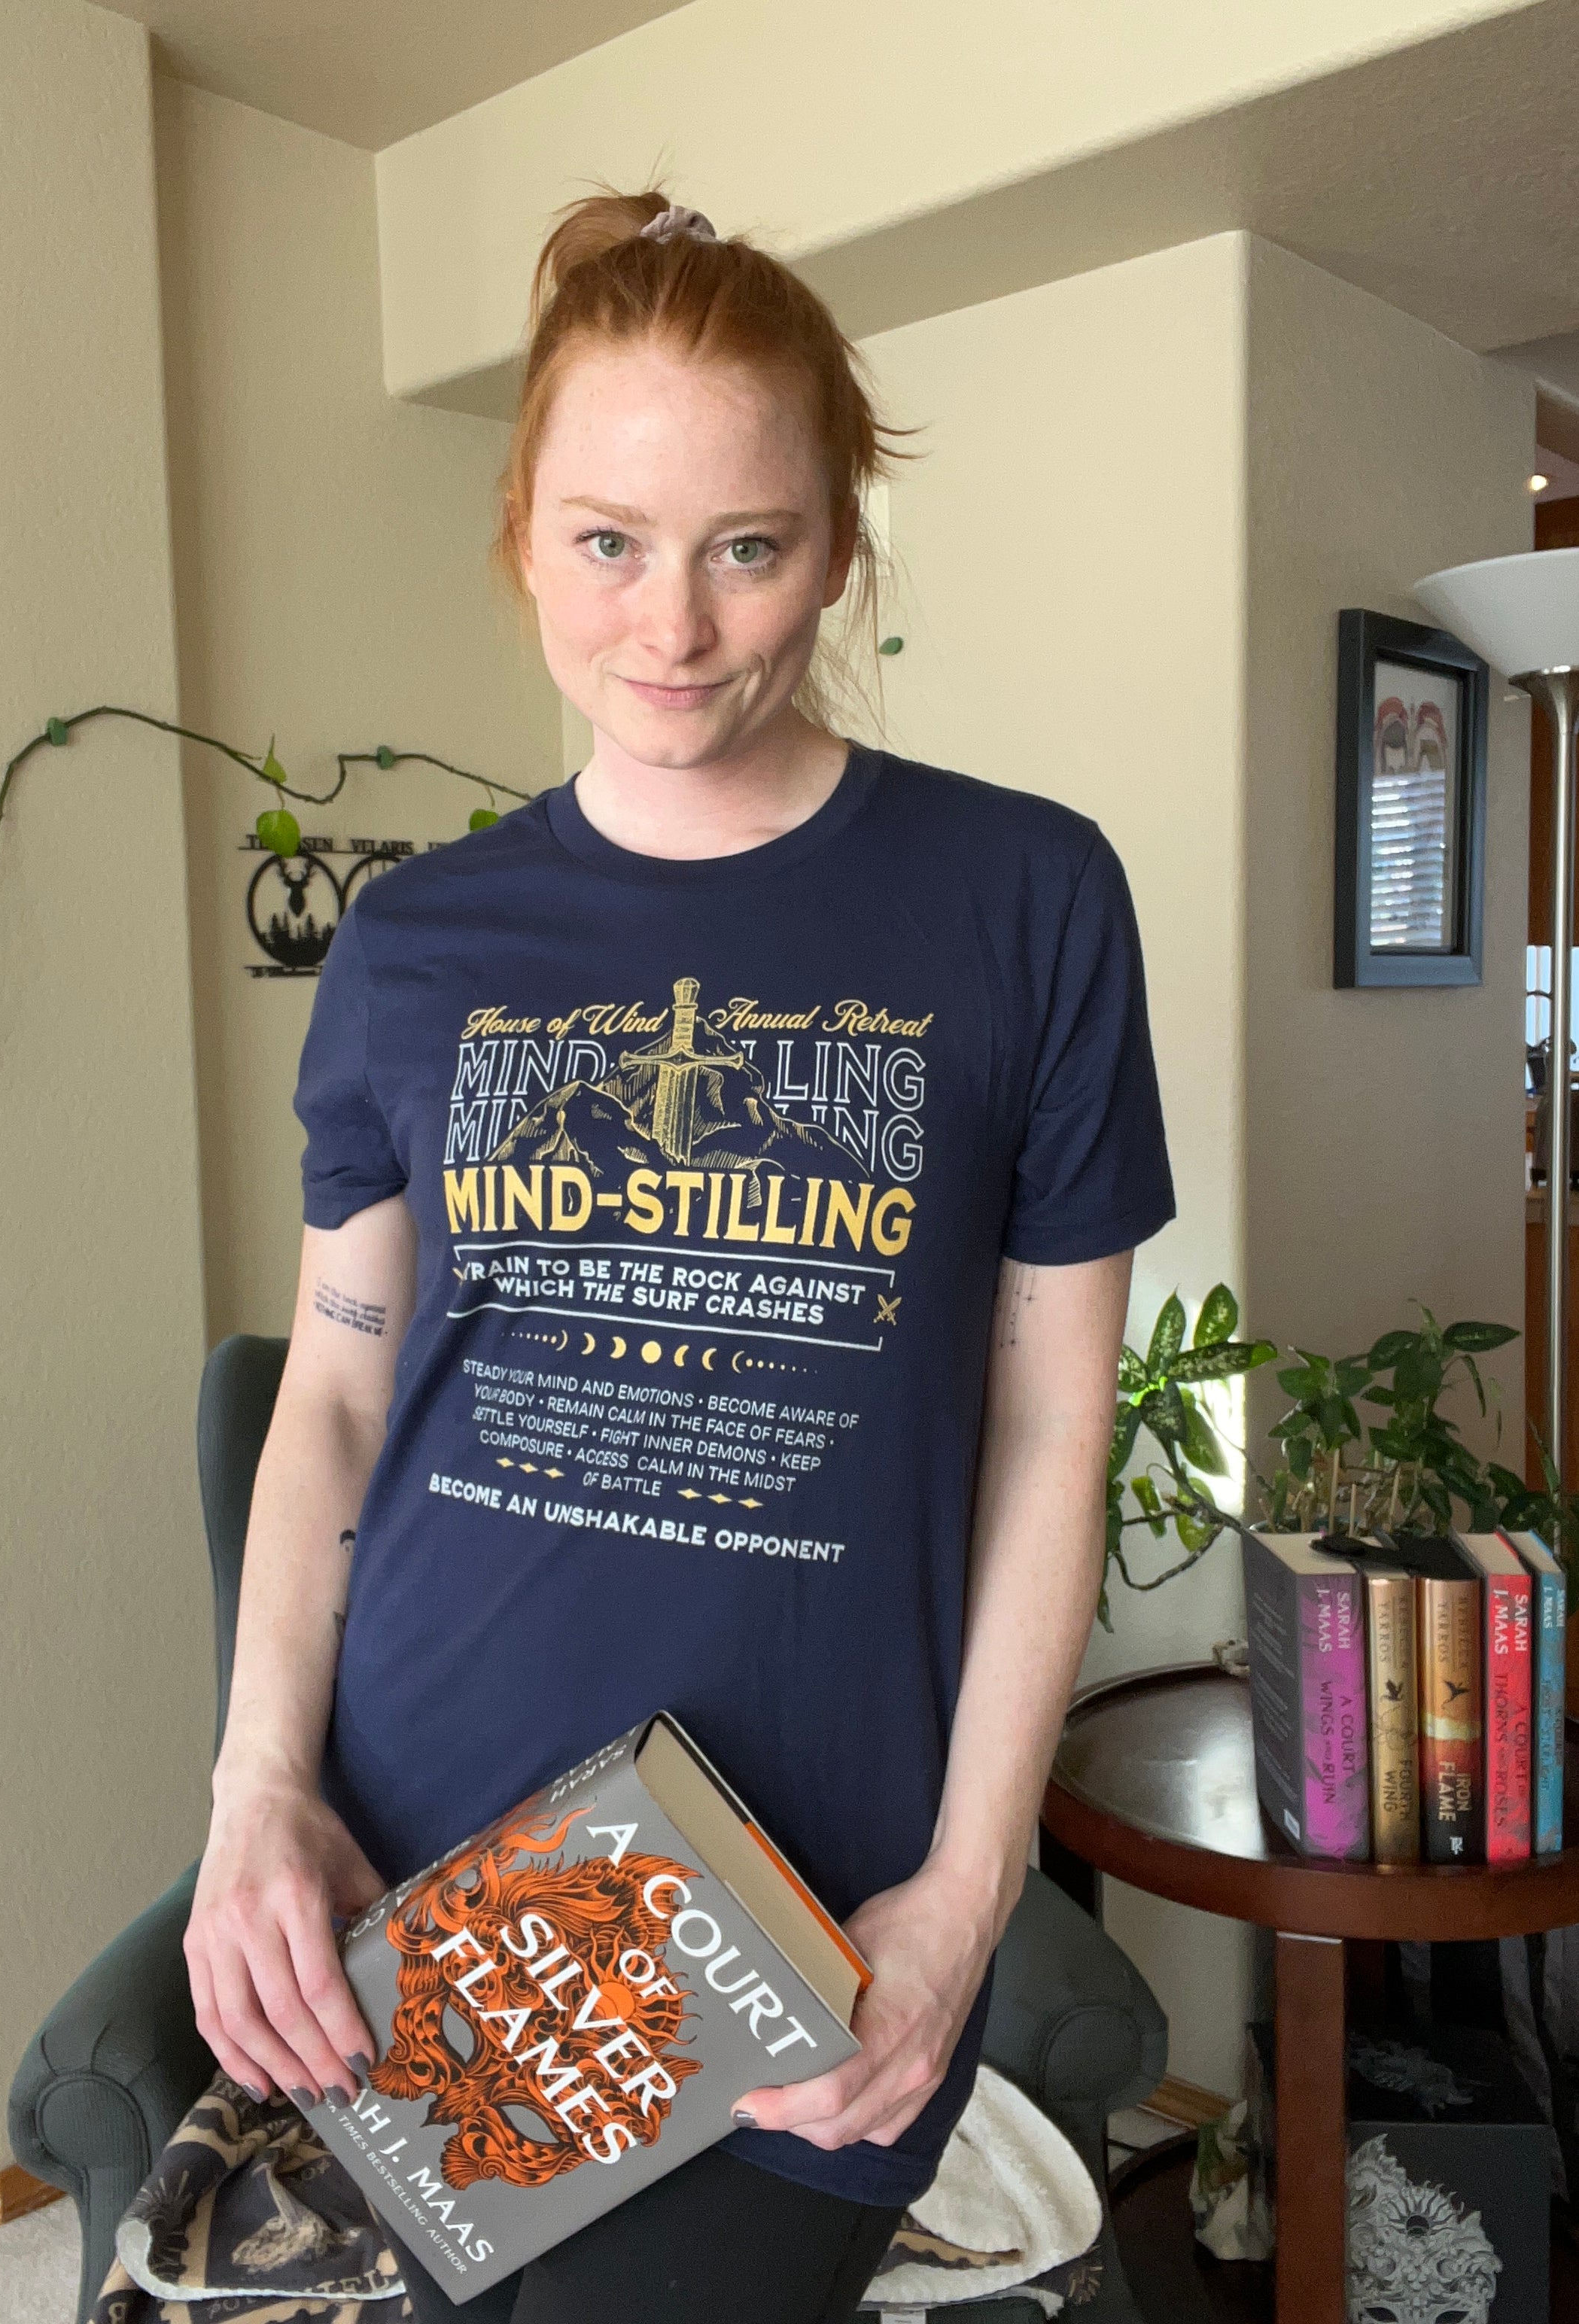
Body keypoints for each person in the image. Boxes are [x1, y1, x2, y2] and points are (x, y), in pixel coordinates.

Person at [183, 187, 1176, 2324]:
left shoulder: (1026, 901)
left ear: (841, 541)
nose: (675, 629)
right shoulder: (414, 941)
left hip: (801, 1906)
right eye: (606, 541)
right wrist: (257, 1782)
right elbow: (337, 1389)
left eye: (749, 547)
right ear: (520, 535)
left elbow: (1048, 1428)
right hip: (429, 1853)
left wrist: (968, 1888)